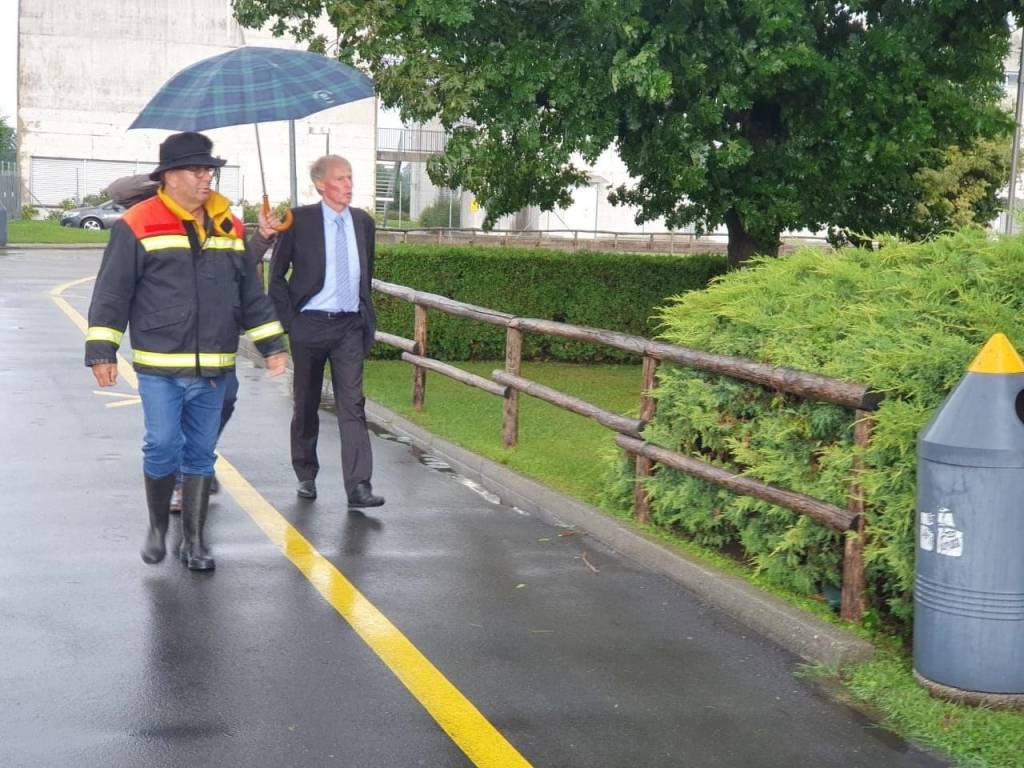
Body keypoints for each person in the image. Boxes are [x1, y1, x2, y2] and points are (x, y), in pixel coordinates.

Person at [85, 131, 288, 571]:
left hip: (214, 365)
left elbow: (249, 292)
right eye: (197, 170)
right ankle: (159, 527)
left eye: (210, 170)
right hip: (160, 366)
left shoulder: (228, 224)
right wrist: (103, 350)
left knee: (200, 454)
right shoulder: (137, 223)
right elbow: (112, 292)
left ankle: (194, 542)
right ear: (170, 176)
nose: (206, 178)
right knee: (161, 446)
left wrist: (272, 344)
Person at [106, 173, 278, 511]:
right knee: (166, 431)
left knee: (226, 397)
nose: (205, 178)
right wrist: (162, 180)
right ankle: (186, 478)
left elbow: (235, 263)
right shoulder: (146, 220)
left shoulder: (212, 212)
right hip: (167, 347)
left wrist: (263, 237)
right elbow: (119, 190)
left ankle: (196, 460)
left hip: (215, 343)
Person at [267, 154, 384, 508]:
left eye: (350, 178)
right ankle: (305, 473)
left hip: (349, 325)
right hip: (310, 325)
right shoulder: (299, 221)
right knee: (306, 403)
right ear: (320, 184)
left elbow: (367, 272)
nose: (348, 185)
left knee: (353, 405)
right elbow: (275, 276)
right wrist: (292, 322)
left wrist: (364, 317)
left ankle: (359, 486)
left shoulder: (363, 223)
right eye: (340, 179)